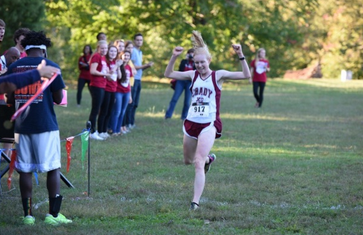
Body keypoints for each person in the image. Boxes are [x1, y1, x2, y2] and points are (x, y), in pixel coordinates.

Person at [164, 31, 251, 210]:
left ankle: (195, 202)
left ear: (209, 61)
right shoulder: (191, 75)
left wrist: (240, 54)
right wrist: (174, 56)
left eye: (202, 62)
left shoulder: (218, 75)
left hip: (209, 124)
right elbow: (168, 73)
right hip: (190, 123)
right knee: (188, 160)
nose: (200, 65)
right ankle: (209, 160)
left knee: (197, 161)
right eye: (196, 63)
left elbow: (246, 75)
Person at [6, 30, 72, 225]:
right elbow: (59, 99)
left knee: (24, 169)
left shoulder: (14, 66)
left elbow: (9, 98)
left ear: (25, 48)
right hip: (45, 125)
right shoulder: (50, 65)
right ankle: (53, 215)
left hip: (21, 127)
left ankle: (28, 216)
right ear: (44, 50)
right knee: (52, 167)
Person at [129, 33, 154, 129]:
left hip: (139, 79)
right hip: (133, 80)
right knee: (131, 102)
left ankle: (132, 122)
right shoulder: (133, 51)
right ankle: (128, 123)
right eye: (137, 40)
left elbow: (139, 68)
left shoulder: (140, 52)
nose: (139, 41)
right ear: (134, 41)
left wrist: (146, 67)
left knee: (135, 103)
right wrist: (146, 65)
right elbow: (132, 66)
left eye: (141, 40)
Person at [88, 40, 111, 140]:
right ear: (98, 48)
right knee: (95, 109)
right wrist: (105, 74)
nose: (104, 50)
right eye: (102, 48)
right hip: (96, 85)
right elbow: (92, 71)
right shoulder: (96, 56)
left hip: (102, 85)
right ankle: (92, 132)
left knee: (99, 109)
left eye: (106, 48)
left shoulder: (103, 57)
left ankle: (95, 130)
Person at [165, 48, 195, 120]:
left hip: (189, 82)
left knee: (187, 101)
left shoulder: (196, 63)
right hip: (181, 81)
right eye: (190, 53)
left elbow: (196, 72)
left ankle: (184, 117)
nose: (191, 55)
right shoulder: (184, 61)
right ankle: (168, 115)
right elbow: (180, 69)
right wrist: (186, 60)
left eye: (192, 54)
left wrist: (194, 61)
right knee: (174, 98)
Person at [98, 45, 121, 138]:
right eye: (111, 51)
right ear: (108, 52)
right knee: (104, 111)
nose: (113, 53)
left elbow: (119, 76)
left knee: (109, 111)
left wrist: (118, 67)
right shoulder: (106, 62)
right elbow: (109, 75)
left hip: (114, 89)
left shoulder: (115, 63)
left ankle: (105, 130)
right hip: (106, 88)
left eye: (115, 52)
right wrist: (116, 66)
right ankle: (100, 131)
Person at [110, 50, 133, 135]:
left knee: (123, 111)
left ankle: (118, 129)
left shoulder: (129, 67)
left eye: (128, 56)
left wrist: (130, 95)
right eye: (125, 55)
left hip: (126, 92)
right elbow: (118, 78)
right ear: (121, 56)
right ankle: (113, 130)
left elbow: (129, 82)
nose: (126, 57)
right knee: (117, 111)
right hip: (118, 91)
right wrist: (119, 66)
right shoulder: (119, 65)